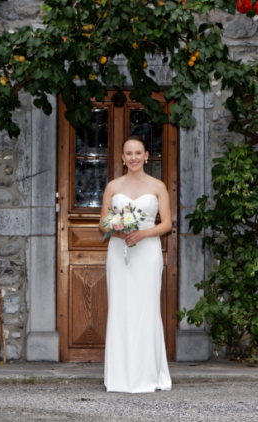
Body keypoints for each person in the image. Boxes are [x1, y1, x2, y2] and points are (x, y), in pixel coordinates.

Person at [99, 135, 172, 393]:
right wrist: (118, 232)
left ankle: (148, 374)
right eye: (128, 153)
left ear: (146, 156)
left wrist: (143, 233)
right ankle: (119, 377)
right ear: (122, 157)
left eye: (138, 153)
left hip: (148, 252)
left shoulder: (158, 186)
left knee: (146, 309)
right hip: (119, 252)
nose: (133, 158)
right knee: (121, 308)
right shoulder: (112, 186)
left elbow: (167, 224)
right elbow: (103, 224)